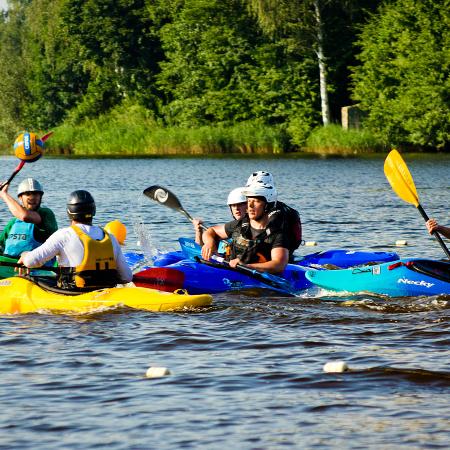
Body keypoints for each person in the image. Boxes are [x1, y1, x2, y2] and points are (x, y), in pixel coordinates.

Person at [18, 190, 132, 290]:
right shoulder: (110, 238)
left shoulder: (64, 235)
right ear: (93, 211)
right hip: (105, 293)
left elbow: (31, 261)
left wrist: (25, 255)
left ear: (69, 212)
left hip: (74, 295)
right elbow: (127, 277)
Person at [201, 181, 290, 274]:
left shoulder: (277, 235)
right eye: (248, 201)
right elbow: (211, 231)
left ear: (268, 205)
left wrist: (246, 266)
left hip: (251, 276)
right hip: (227, 270)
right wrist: (209, 243)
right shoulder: (240, 224)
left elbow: (279, 264)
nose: (250, 206)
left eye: (256, 201)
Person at [0, 178, 58, 259]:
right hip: (8, 267)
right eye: (28, 194)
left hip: (37, 268)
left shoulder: (46, 214)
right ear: (20, 197)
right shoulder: (13, 222)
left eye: (36, 194)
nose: (32, 197)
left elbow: (25, 216)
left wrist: (4, 195)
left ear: (41, 196)